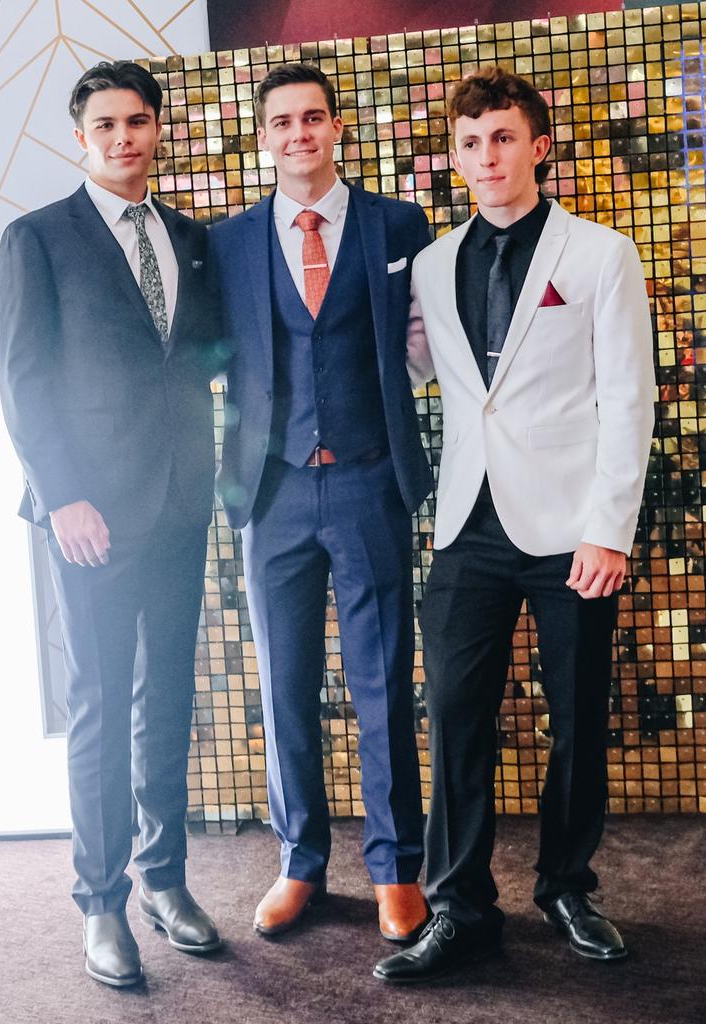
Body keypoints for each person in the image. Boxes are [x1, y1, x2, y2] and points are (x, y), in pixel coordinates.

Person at [374, 65, 655, 984]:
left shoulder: (599, 256)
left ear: (538, 146)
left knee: (577, 719)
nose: (485, 156)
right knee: (455, 716)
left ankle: (568, 886)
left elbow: (628, 398)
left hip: (574, 525)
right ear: (455, 158)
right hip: (466, 525)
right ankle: (460, 908)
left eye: (502, 137)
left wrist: (609, 528)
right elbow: (423, 372)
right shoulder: (429, 262)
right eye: (469, 142)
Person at [0, 61, 225, 987]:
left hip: (181, 504)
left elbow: (207, 356)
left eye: (138, 121)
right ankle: (101, 903)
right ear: (78, 138)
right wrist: (62, 497)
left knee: (167, 698)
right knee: (100, 709)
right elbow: (25, 379)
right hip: (88, 514)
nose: (124, 138)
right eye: (105, 125)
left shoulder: (192, 238)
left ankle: (164, 881)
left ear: (158, 129)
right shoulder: (37, 238)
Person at [211, 62, 432, 942]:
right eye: (281, 122)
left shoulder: (397, 224)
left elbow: (425, 338)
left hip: (370, 478)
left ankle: (394, 868)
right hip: (274, 488)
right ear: (262, 136)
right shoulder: (227, 242)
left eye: (313, 119)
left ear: (337, 127)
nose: (298, 134)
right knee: (285, 685)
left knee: (381, 684)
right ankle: (300, 861)